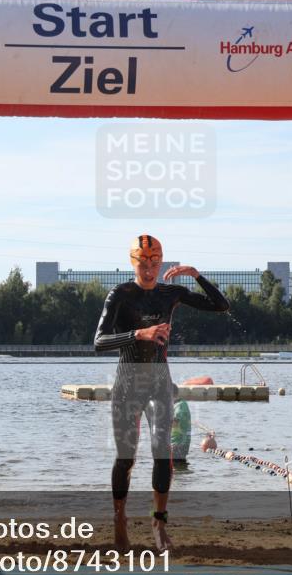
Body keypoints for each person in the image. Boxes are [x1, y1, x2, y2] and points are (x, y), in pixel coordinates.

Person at [94, 234, 229, 551]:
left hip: (158, 382)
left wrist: (196, 275)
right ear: (133, 262)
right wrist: (139, 333)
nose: (150, 269)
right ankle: (119, 520)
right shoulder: (121, 294)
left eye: (155, 262)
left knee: (161, 450)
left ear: (162, 262)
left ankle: (158, 523)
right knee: (125, 458)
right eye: (143, 263)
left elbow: (221, 306)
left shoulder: (172, 293)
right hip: (128, 382)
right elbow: (98, 342)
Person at [169, 400, 192, 465]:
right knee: (180, 469)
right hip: (181, 443)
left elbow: (175, 422)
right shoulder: (181, 405)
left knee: (176, 468)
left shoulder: (180, 406)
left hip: (177, 444)